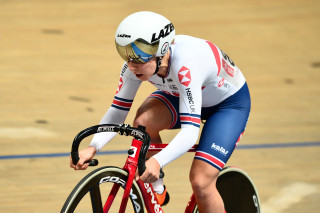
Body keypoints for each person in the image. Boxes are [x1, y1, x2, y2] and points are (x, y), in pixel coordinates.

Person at [70, 11, 251, 213]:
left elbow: (190, 134)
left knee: (201, 182)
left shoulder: (187, 64)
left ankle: (159, 175)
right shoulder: (135, 66)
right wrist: (93, 147)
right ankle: (158, 190)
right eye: (126, 54)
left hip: (227, 106)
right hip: (181, 93)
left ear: (162, 49)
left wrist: (157, 160)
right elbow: (117, 112)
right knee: (143, 121)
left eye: (139, 57)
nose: (131, 65)